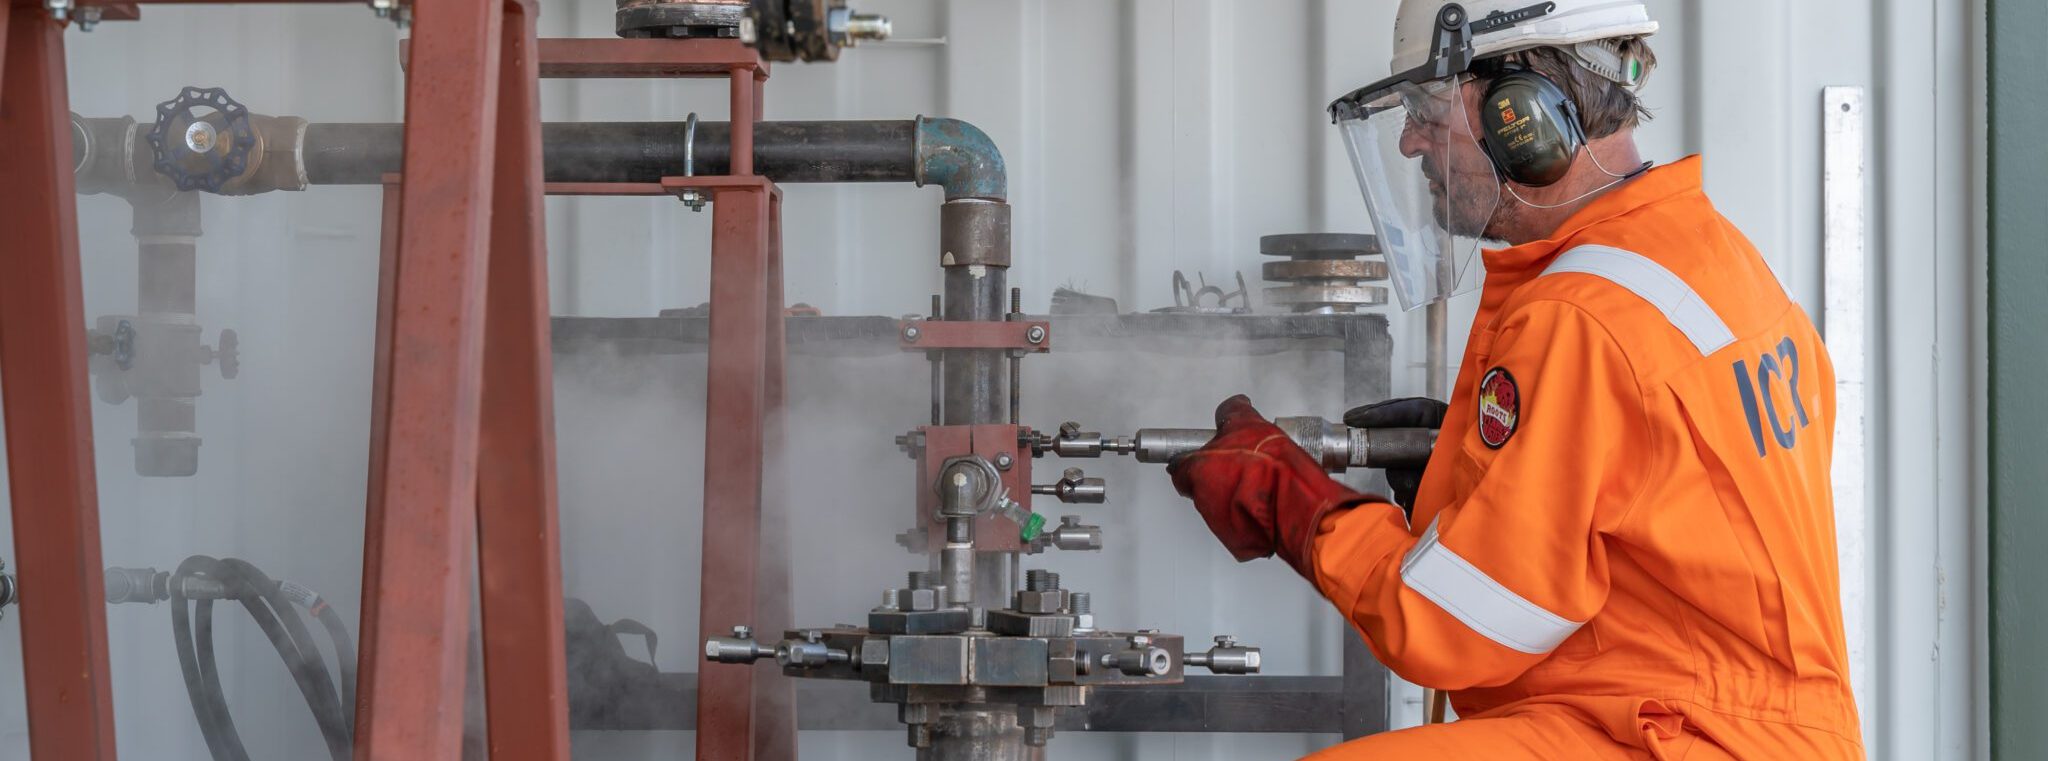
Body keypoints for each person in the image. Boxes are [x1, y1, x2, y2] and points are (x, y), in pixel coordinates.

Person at [1166, 1, 1865, 758]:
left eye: (1428, 109)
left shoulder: (1580, 315)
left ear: (1521, 113)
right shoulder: (1714, 258)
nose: (1408, 142)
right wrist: (1475, 480)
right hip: (1707, 720)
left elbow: (1448, 623)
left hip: (1673, 733)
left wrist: (1298, 507)